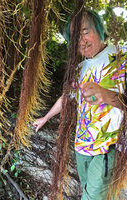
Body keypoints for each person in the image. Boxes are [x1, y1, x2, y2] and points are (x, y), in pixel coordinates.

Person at [33, 10, 127, 200]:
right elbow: (66, 98)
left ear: (99, 29)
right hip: (82, 144)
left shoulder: (122, 56)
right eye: (75, 38)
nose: (81, 42)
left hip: (109, 145)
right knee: (91, 190)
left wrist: (107, 96)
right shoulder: (80, 69)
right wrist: (46, 117)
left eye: (85, 32)